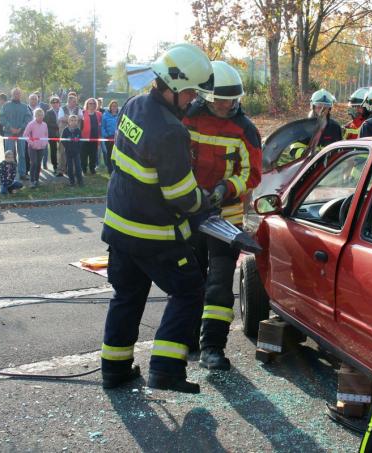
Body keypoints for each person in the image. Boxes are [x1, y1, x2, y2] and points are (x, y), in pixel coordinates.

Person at [100, 42, 213, 394]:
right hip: (153, 235)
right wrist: (205, 202)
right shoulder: (170, 130)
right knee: (191, 291)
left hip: (119, 227)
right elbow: (180, 194)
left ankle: (115, 371)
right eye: (191, 91)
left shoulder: (134, 105)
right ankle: (165, 370)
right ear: (174, 87)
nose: (194, 99)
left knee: (128, 295)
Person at [182, 60, 263, 370]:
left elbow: (252, 175)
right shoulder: (189, 119)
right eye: (219, 99)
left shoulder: (245, 129)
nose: (225, 105)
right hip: (190, 214)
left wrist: (226, 188)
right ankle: (186, 341)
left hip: (226, 220)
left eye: (230, 99)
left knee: (218, 284)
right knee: (190, 282)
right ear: (205, 96)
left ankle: (213, 348)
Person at [0, 88, 32, 181]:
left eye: (18, 94)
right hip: (9, 133)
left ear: (20, 95)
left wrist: (20, 128)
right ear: (11, 95)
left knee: (22, 154)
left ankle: (22, 173)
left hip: (21, 133)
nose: (16, 95)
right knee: (9, 153)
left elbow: (28, 118)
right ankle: (9, 173)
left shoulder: (24, 106)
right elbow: (2, 117)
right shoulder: (6, 106)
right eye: (15, 94)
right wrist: (10, 127)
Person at [56, 94, 83, 177]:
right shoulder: (62, 108)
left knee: (75, 151)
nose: (75, 103)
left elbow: (81, 117)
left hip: (75, 134)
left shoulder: (78, 109)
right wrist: (73, 119)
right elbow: (60, 118)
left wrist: (67, 118)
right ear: (68, 101)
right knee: (62, 151)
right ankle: (61, 169)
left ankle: (73, 170)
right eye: (73, 101)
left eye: (75, 101)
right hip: (64, 133)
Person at [23, 108, 49, 188]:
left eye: (41, 115)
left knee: (38, 164)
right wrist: (32, 143)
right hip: (32, 148)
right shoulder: (31, 124)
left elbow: (46, 135)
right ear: (35, 116)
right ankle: (32, 181)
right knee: (33, 163)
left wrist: (44, 143)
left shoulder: (45, 124)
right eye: (38, 115)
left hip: (41, 147)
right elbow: (25, 135)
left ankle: (37, 180)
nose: (40, 117)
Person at [61, 114, 84, 187]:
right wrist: (67, 147)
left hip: (76, 152)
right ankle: (72, 181)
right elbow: (63, 140)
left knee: (78, 167)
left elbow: (81, 140)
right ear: (68, 121)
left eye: (75, 120)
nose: (73, 122)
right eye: (71, 120)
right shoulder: (65, 130)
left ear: (77, 122)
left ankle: (80, 181)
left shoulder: (78, 130)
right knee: (70, 167)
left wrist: (78, 148)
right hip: (68, 152)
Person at [81, 98, 102, 175]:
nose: (92, 105)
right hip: (84, 137)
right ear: (87, 104)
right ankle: (84, 169)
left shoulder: (99, 114)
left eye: (93, 103)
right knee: (83, 155)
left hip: (95, 137)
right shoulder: (82, 113)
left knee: (93, 154)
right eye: (90, 103)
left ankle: (92, 168)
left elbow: (100, 126)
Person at [100, 99, 119, 174]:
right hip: (109, 138)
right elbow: (102, 127)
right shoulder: (105, 115)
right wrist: (106, 135)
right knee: (109, 154)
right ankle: (110, 170)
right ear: (110, 107)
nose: (114, 107)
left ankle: (116, 170)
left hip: (118, 138)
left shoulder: (120, 115)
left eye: (115, 106)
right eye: (112, 106)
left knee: (117, 155)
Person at [44, 96, 62, 174]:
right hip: (52, 133)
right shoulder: (48, 112)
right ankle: (55, 166)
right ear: (51, 104)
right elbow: (47, 123)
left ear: (59, 103)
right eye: (53, 102)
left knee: (62, 150)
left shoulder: (62, 110)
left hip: (62, 132)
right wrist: (57, 125)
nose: (55, 104)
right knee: (53, 150)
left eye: (56, 102)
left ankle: (62, 165)